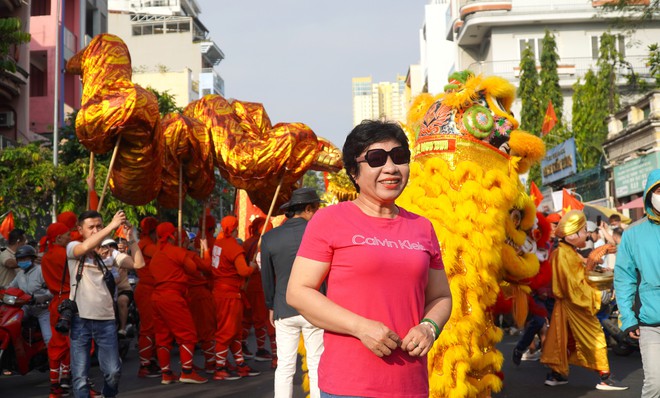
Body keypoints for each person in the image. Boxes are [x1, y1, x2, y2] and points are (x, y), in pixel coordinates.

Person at [286, 120, 452, 397]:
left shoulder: (423, 227)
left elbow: (441, 296)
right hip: (349, 385)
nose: (390, 168)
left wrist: (429, 327)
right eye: (376, 159)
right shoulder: (330, 220)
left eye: (399, 158)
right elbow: (298, 292)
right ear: (354, 171)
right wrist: (360, 327)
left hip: (410, 385)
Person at [540, 210, 627, 391]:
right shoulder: (562, 255)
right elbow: (573, 287)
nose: (587, 234)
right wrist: (597, 295)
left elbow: (580, 274)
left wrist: (593, 262)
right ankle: (605, 376)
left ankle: (557, 374)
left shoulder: (569, 252)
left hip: (570, 306)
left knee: (565, 341)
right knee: (594, 337)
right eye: (583, 230)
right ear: (571, 234)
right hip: (575, 305)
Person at [66, 210, 143, 398]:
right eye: (90, 227)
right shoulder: (73, 247)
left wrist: (131, 238)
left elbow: (138, 264)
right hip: (80, 319)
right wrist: (111, 226)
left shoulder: (111, 253)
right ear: (80, 229)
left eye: (98, 226)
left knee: (113, 372)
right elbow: (83, 248)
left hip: (106, 320)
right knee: (80, 377)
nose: (95, 230)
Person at [261, 188, 325, 397]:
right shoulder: (319, 234)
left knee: (285, 367)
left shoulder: (270, 238)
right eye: (316, 209)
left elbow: (267, 278)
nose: (317, 213)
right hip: (315, 306)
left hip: (283, 306)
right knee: (316, 365)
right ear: (308, 209)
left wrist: (271, 305)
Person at [614, 168, 660, 398]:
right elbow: (624, 279)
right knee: (655, 385)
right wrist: (628, 319)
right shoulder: (633, 233)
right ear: (650, 194)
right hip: (651, 323)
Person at [150, 222, 210, 385]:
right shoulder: (176, 252)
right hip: (172, 297)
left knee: (162, 336)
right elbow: (193, 269)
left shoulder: (156, 254)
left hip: (156, 297)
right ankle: (187, 371)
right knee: (188, 334)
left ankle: (166, 373)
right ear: (172, 235)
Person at [211, 215, 261, 380]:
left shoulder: (218, 243)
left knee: (234, 331)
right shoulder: (233, 246)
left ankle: (239, 363)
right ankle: (220, 367)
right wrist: (253, 267)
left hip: (220, 292)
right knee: (227, 331)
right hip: (229, 294)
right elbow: (244, 271)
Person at [41, 222, 73, 397]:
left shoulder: (45, 257)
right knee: (76, 343)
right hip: (70, 301)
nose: (70, 237)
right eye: (68, 234)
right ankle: (72, 379)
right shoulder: (67, 255)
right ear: (59, 237)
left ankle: (55, 386)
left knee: (57, 344)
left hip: (55, 302)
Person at [242, 216, 276, 365]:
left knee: (250, 319)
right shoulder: (269, 244)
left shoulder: (246, 243)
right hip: (262, 286)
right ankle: (267, 352)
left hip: (249, 286)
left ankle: (244, 347)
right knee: (266, 321)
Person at [8, 245, 53, 344]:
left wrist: (37, 298)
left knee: (48, 339)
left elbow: (52, 291)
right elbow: (10, 288)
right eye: (20, 259)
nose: (22, 261)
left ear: (32, 258)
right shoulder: (20, 275)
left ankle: (53, 358)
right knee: (10, 323)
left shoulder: (41, 271)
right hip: (26, 308)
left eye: (25, 258)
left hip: (43, 309)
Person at [134, 216, 161, 377]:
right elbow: (162, 254)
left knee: (155, 327)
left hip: (152, 289)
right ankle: (145, 364)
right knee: (148, 327)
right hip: (147, 290)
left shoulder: (147, 243)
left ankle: (151, 360)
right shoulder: (146, 245)